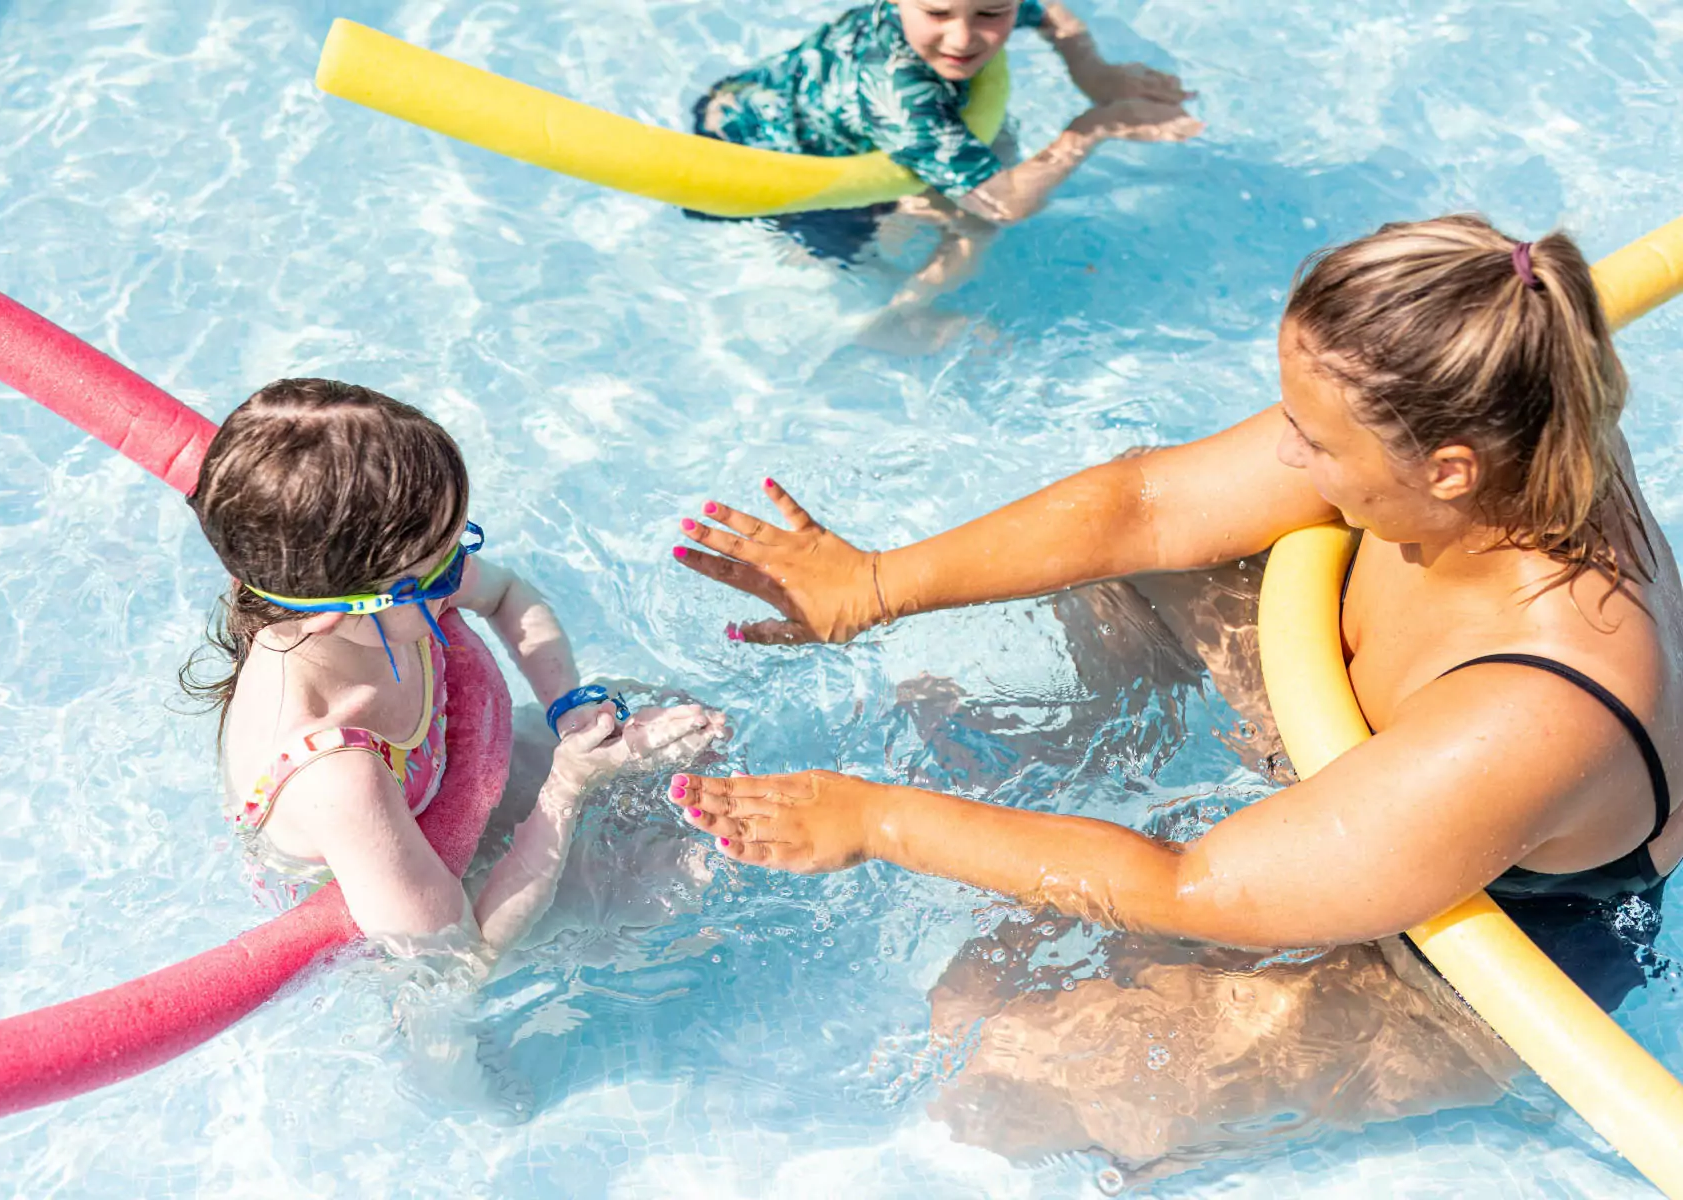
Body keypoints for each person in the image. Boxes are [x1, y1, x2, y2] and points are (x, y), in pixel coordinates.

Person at [665, 215, 1679, 1167]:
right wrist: (874, 584)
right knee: (1152, 564)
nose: (1285, 451)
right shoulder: (1506, 416)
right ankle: (1073, 749)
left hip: (1463, 953)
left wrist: (878, 820)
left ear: (1449, 470)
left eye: (1317, 440)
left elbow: (1188, 886)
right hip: (1373, 754)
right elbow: (1145, 506)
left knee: (1002, 1074)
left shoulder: (1537, 709)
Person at [184, 378, 724, 960]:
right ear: (332, 615)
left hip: (455, 783)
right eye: (441, 571)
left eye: (458, 543)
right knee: (696, 879)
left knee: (687, 725)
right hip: (417, 883)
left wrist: (571, 709)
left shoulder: (381, 584)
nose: (460, 573)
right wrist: (568, 786)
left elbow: (509, 592)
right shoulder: (333, 775)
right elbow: (461, 960)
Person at [691, 0, 1201, 310]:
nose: (962, 37)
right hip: (774, 157)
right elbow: (1005, 203)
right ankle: (898, 319)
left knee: (965, 202)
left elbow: (1048, 12)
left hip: (797, 105)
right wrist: (1092, 127)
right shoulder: (896, 93)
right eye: (936, 12)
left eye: (990, 13)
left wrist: (1093, 72)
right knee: (972, 227)